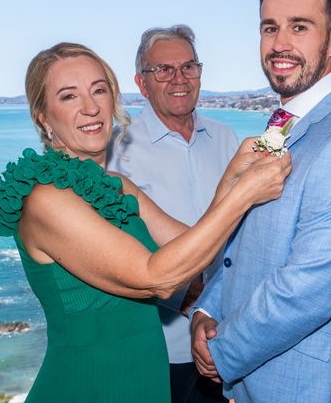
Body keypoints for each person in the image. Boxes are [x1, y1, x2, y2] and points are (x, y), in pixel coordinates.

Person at [0, 42, 291, 402]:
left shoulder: (115, 185)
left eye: (99, 90)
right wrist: (243, 196)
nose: (91, 107)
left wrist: (233, 178)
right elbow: (158, 278)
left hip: (144, 376)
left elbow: (195, 245)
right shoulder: (45, 198)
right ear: (42, 115)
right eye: (69, 97)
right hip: (88, 386)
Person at [190, 0, 331, 402]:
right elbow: (242, 248)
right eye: (270, 27)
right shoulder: (284, 124)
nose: (280, 44)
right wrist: (206, 310)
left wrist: (221, 350)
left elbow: (307, 291)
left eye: (299, 27)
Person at [107, 24, 237, 403]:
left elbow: (241, 238)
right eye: (162, 69)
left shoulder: (227, 139)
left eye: (188, 67)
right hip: (154, 346)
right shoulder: (117, 151)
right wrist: (197, 305)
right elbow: (120, 254)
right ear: (142, 83)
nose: (178, 78)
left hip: (224, 341)